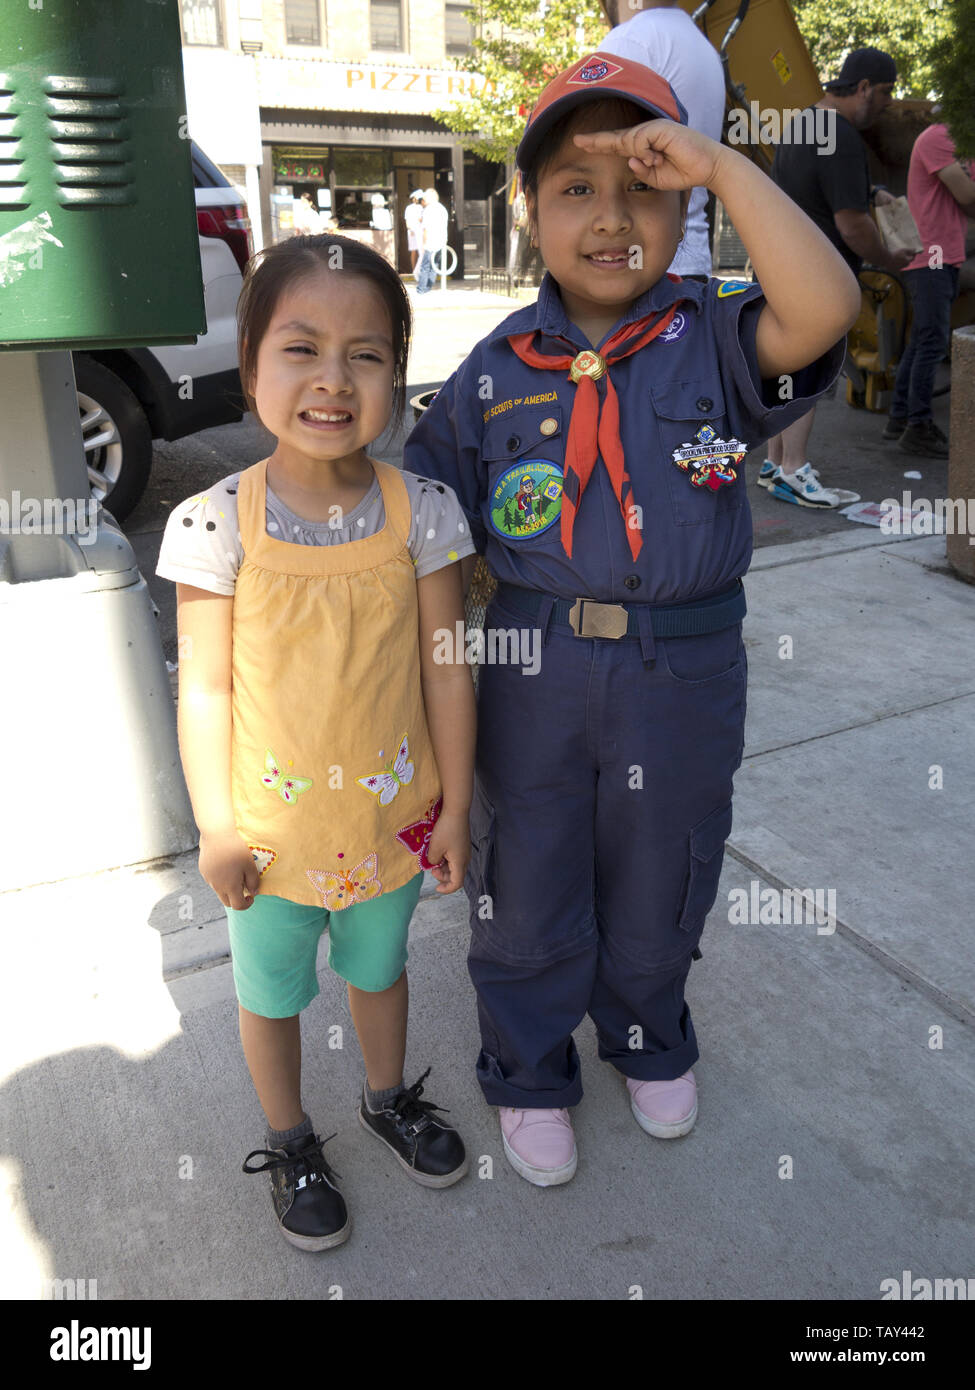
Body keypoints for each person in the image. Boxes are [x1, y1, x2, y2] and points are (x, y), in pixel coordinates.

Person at [404, 51, 859, 1186]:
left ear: (685, 204)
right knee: (528, 867)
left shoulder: (714, 337)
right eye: (575, 189)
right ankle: (527, 1064)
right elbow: (419, 526)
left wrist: (720, 166)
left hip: (682, 666)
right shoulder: (493, 369)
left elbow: (829, 305)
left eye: (645, 187)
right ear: (528, 210)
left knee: (667, 863)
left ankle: (649, 1031)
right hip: (532, 664)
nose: (612, 219)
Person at [156, 235, 477, 1248]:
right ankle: (290, 1136)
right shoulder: (215, 527)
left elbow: (445, 666)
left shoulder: (425, 512)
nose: (334, 380)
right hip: (271, 838)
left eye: (367, 354)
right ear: (250, 365)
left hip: (392, 823)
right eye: (301, 348)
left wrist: (457, 807)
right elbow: (204, 686)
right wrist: (216, 828)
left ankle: (387, 1098)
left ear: (396, 373)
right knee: (273, 993)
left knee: (381, 973)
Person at [762, 47, 913, 507]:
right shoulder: (843, 136)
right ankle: (794, 469)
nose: (887, 102)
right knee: (811, 370)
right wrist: (889, 258)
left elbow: (813, 183)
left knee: (785, 368)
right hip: (819, 276)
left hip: (779, 265)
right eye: (885, 91)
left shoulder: (803, 122)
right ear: (863, 87)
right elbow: (852, 224)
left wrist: (872, 189)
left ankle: (773, 463)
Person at [600, 0, 726, 281]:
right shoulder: (701, 45)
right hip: (689, 259)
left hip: (639, 266)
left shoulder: (631, 41)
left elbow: (596, 153)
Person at [885, 120, 975, 456]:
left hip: (943, 254)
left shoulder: (960, 146)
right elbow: (967, 194)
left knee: (922, 339)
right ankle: (917, 427)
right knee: (932, 340)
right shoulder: (939, 137)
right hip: (932, 254)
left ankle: (899, 418)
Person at [416, 187, 449, 294]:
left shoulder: (428, 210)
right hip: (441, 241)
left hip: (431, 241)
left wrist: (424, 242)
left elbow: (426, 228)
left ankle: (421, 289)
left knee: (425, 266)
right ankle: (429, 287)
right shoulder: (442, 209)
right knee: (435, 265)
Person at [404, 187, 424, 274]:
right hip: (412, 232)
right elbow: (407, 221)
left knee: (421, 251)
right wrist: (410, 229)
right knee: (414, 251)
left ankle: (421, 270)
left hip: (421, 231)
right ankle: (414, 270)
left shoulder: (421, 207)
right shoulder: (409, 208)